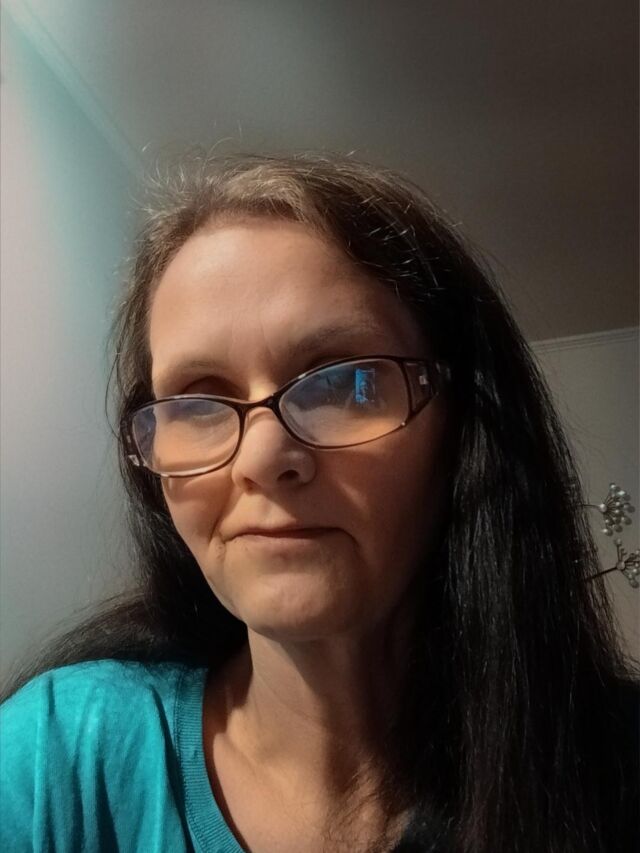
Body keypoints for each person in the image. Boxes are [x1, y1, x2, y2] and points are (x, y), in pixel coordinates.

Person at [1, 151, 638, 853]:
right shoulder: (58, 758)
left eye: (342, 384)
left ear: (462, 429)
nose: (261, 459)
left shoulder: (615, 772)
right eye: (199, 401)